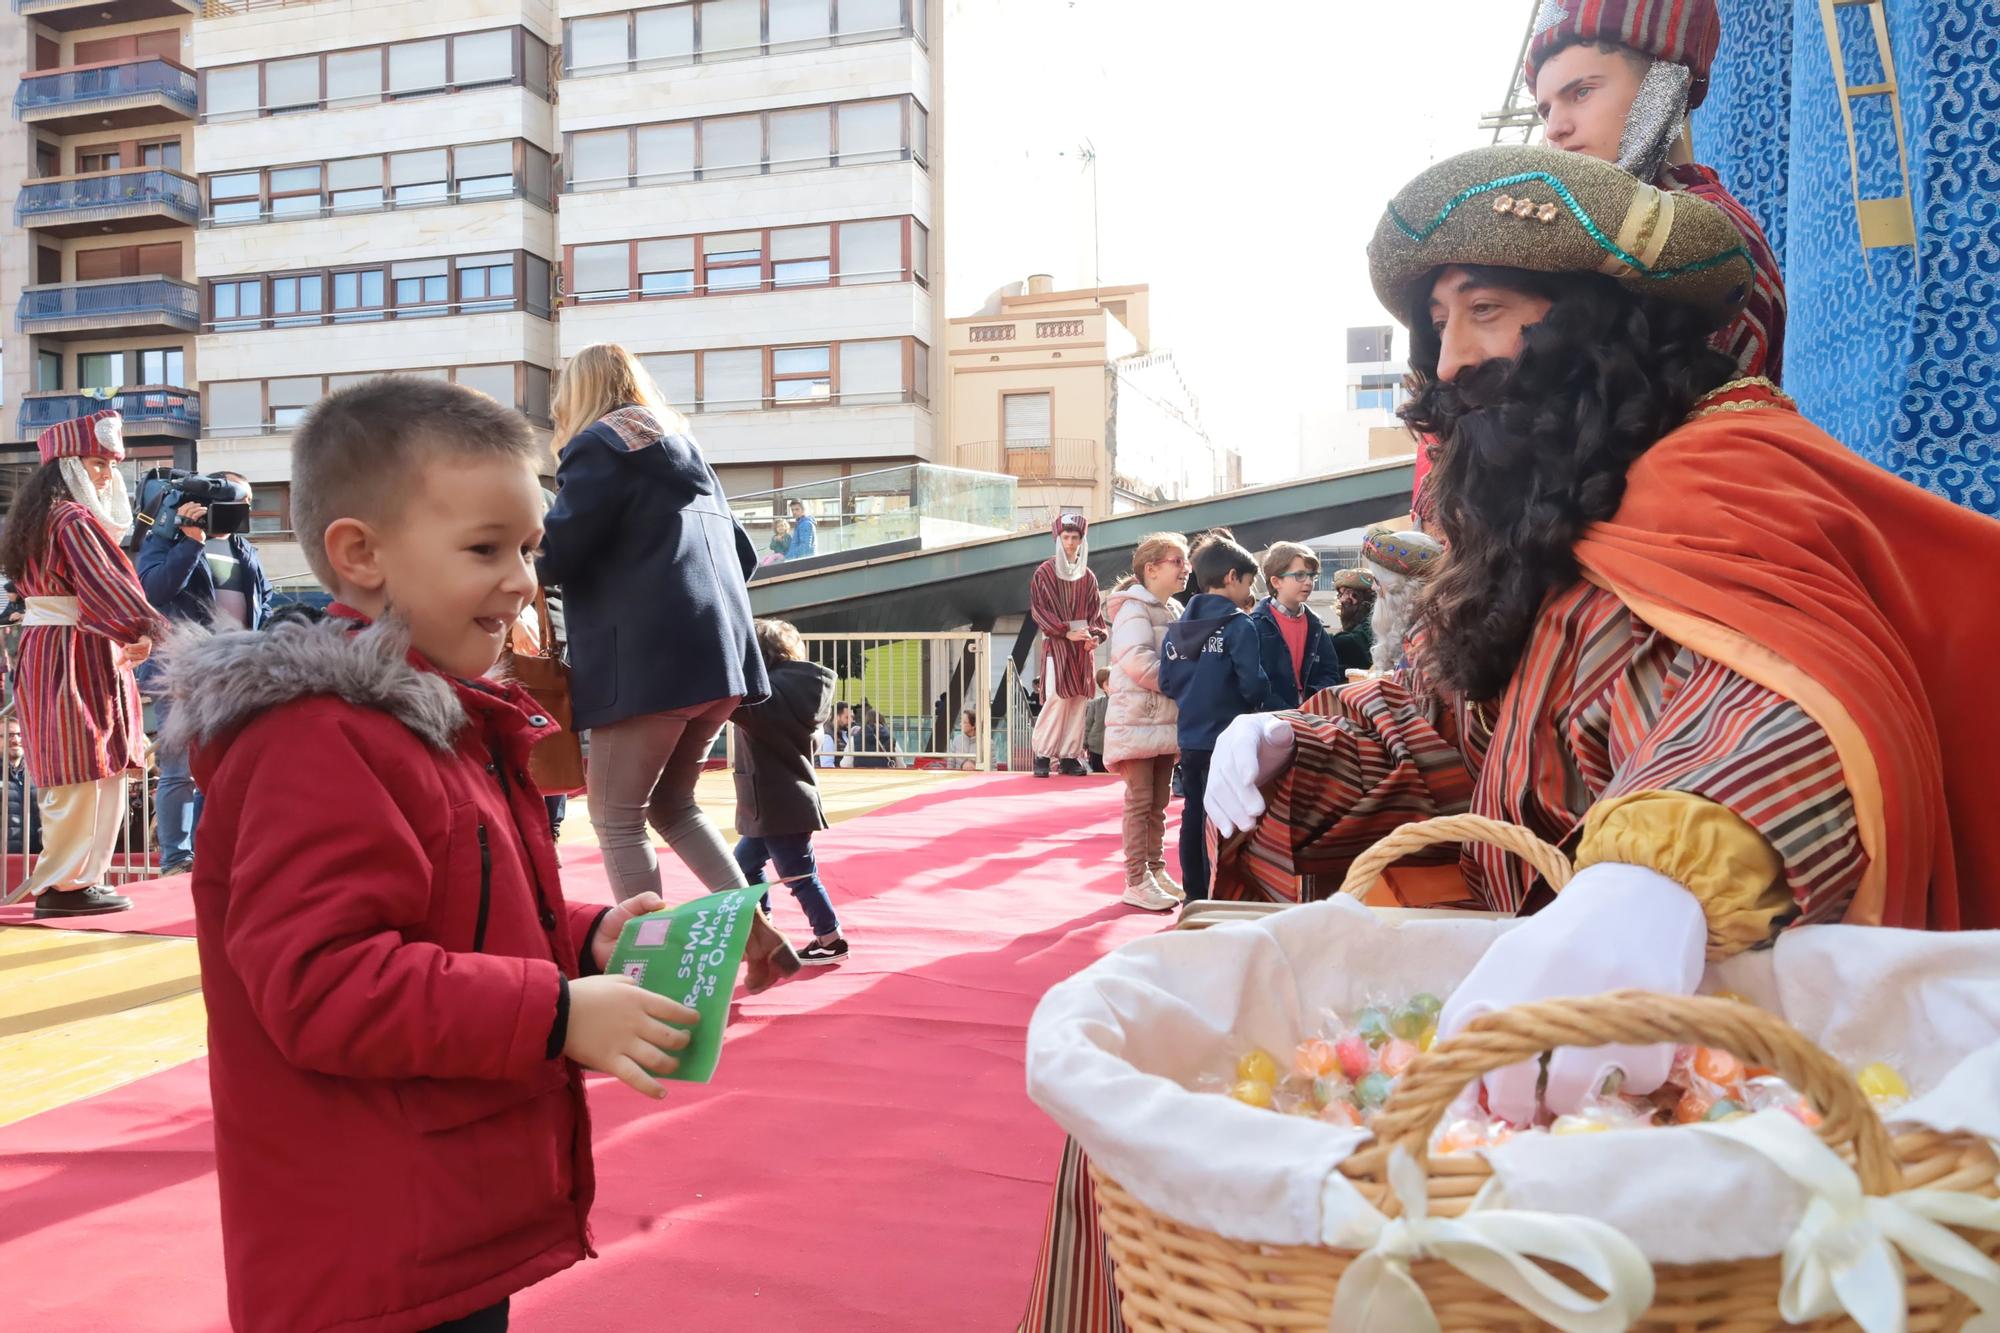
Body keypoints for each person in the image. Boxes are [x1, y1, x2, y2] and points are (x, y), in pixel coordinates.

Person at [1204, 143, 2000, 1128]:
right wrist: (1307, 746)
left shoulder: (1728, 470)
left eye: (1483, 312)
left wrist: (1648, 886)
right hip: (1535, 1061)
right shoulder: (1547, 511)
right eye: (1440, 324)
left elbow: (1779, 696)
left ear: (1593, 329)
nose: (1447, 361)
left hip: (1717, 1069)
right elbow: (1462, 716)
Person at [154, 375, 700, 1333]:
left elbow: (454, 909)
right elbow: (323, 981)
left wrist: (583, 941)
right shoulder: (319, 739)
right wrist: (557, 1010)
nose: (525, 580)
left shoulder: (434, 719)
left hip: (434, 1207)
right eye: (486, 549)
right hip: (368, 1233)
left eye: (529, 548)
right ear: (360, 554)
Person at [537, 346, 795, 951]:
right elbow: (744, 554)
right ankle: (757, 940)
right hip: (721, 660)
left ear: (578, 394)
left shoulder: (598, 445)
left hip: (649, 667)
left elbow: (560, 551)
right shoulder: (689, 451)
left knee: (617, 818)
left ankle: (652, 964)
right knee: (674, 806)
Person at [1525, 0, 1784, 383]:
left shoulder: (1704, 235)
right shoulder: (1593, 232)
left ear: (1661, 89)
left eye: (1581, 93)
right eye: (1546, 110)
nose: (1555, 129)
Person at [0, 409, 159, 918]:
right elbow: (109, 586)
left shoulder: (36, 518)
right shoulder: (72, 519)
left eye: (110, 465)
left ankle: (72, 879)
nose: (105, 474)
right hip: (76, 647)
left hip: (52, 645)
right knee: (86, 763)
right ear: (66, 466)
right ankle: (69, 884)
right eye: (95, 463)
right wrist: (145, 629)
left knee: (74, 762)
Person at [136, 469, 272, 877]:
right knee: (179, 769)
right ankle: (177, 859)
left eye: (248, 502)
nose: (246, 508)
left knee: (224, 769)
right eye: (239, 500)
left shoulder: (244, 548)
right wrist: (191, 541)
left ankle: (212, 852)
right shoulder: (166, 539)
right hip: (181, 669)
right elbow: (154, 591)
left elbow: (261, 603)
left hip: (236, 672)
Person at [1157, 529, 1267, 903]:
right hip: (1229, 736)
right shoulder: (1239, 625)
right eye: (1248, 582)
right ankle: (1225, 891)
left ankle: (1194, 894)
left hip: (1190, 736)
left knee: (1192, 814)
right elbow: (1253, 683)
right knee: (1229, 814)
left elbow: (1166, 681)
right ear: (1232, 577)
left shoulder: (1178, 629)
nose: (1249, 592)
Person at [731, 619, 849, 964]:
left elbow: (734, 705)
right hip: (781, 803)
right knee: (744, 868)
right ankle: (765, 928)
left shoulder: (767, 697)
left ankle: (830, 937)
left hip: (777, 805)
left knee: (798, 876)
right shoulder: (797, 693)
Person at [1103, 532, 1188, 913]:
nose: (1185, 569)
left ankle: (1155, 868)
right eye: (1177, 561)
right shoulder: (1133, 608)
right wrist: (1177, 681)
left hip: (1160, 716)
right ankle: (1136, 878)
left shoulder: (1173, 609)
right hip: (1138, 716)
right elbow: (1135, 658)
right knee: (1140, 801)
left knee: (1158, 802)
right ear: (1150, 569)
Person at [1028, 514, 1108, 778]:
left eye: (1075, 538)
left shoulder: (1088, 577)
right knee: (1057, 697)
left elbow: (1096, 616)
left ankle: (1069, 756)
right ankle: (1042, 753)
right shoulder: (1045, 572)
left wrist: (1095, 636)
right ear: (1058, 539)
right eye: (1066, 537)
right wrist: (1064, 632)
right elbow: (1039, 611)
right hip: (1058, 647)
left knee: (1079, 700)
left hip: (1082, 647)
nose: (1071, 543)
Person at [1249, 541, 1343, 710]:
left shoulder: (1315, 625)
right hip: (1271, 718)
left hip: (1310, 714)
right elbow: (1253, 680)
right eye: (1299, 575)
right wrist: (1283, 709)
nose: (1308, 582)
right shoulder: (1256, 625)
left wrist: (1311, 703)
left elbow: (1330, 672)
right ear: (1276, 581)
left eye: (1312, 575)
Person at [1357, 527, 1444, 675]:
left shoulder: (1424, 642)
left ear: (1400, 589)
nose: (1373, 587)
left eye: (1377, 581)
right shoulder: (1418, 633)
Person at [1325, 567, 1377, 672]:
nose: (1342, 599)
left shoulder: (1374, 621)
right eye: (1341, 594)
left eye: (1348, 592)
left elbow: (1354, 641)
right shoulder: (1353, 626)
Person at [6, 716, 43, 855]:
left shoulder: (38, 773)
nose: (16, 740)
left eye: (20, 735)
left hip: (37, 858)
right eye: (8, 735)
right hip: (5, 861)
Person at [1082, 667, 1111, 773]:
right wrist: (1083, 744)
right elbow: (1087, 725)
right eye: (1108, 683)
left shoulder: (1124, 703)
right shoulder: (1095, 704)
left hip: (1116, 750)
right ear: (1103, 687)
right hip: (1096, 749)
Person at [851, 705, 898, 769]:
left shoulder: (854, 739)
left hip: (861, 776)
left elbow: (845, 764)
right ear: (882, 721)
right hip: (885, 776)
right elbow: (901, 764)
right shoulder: (891, 739)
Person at [819, 701, 855, 769]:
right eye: (847, 717)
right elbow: (827, 766)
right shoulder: (828, 736)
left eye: (852, 717)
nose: (851, 720)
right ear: (837, 717)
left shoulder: (843, 733)